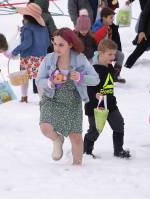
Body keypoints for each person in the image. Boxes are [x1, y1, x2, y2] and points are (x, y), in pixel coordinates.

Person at [36, 27, 100, 165]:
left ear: (70, 44)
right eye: (55, 43)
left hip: (72, 101)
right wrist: (50, 82)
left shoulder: (80, 59)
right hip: (51, 98)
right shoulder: (49, 59)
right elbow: (38, 80)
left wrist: (81, 77)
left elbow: (96, 79)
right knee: (45, 128)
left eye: (61, 45)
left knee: (76, 137)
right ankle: (57, 139)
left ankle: (77, 167)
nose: (56, 48)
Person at [84, 39, 131, 159]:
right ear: (100, 53)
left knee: (119, 124)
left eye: (114, 54)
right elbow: (88, 88)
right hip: (95, 106)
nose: (113, 57)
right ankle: (86, 152)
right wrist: (95, 95)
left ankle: (118, 150)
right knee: (95, 129)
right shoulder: (93, 70)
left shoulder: (110, 66)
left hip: (110, 104)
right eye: (109, 54)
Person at [6, 3, 50, 103]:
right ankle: (43, 100)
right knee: (39, 79)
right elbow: (47, 42)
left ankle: (24, 97)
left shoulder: (27, 28)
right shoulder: (44, 28)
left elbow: (27, 43)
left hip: (28, 58)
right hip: (41, 57)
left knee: (23, 77)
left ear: (27, 16)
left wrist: (14, 52)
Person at [91, 7, 126, 83]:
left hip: (109, 51)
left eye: (113, 18)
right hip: (99, 53)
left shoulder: (111, 27)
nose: (112, 19)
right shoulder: (97, 26)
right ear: (104, 18)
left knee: (120, 55)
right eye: (110, 18)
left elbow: (116, 40)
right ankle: (104, 76)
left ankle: (115, 75)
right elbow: (96, 41)